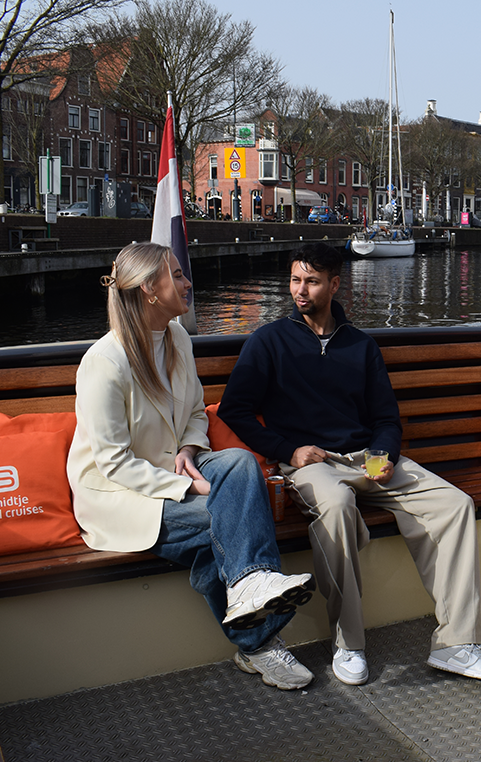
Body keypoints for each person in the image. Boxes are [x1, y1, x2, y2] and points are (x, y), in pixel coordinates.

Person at [218, 243, 481, 687]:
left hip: (367, 461)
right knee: (335, 505)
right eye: (296, 280)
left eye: (312, 281)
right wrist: (289, 450)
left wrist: (383, 456)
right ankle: (348, 642)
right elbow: (235, 410)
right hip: (311, 464)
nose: (301, 290)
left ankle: (457, 645)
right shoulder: (268, 341)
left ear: (335, 285)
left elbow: (386, 418)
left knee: (455, 504)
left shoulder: (361, 345)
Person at [68, 242, 315, 690]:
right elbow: (113, 463)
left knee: (239, 463)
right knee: (223, 520)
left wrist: (188, 448)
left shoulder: (178, 336)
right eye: (177, 275)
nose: (187, 283)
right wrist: (190, 489)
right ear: (149, 289)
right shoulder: (104, 363)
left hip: (178, 467)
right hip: (121, 496)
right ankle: (258, 636)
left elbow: (198, 412)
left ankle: (247, 588)